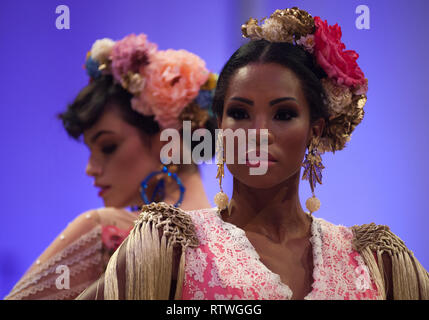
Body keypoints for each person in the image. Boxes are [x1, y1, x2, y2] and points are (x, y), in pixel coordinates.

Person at [77, 8, 429, 300]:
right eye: (241, 113)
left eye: (284, 114)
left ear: (315, 130)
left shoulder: (375, 260)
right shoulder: (170, 248)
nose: (258, 134)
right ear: (219, 125)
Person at [5, 33, 217, 300]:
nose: (90, 169)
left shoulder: (103, 230)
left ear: (168, 143)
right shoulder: (246, 239)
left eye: (107, 147)